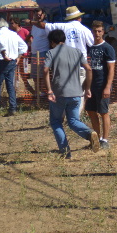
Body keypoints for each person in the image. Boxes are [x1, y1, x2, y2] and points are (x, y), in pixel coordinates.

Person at [44, 29, 100, 159]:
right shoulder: (77, 51)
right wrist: (87, 88)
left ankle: (65, 152)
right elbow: (89, 69)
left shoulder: (51, 53)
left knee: (56, 122)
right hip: (76, 93)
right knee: (74, 120)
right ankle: (90, 133)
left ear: (52, 42)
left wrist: (49, 90)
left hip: (59, 93)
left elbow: (45, 69)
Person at [0, 18, 28, 117]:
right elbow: (24, 46)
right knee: (10, 84)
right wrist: (18, 57)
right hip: (13, 61)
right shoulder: (13, 34)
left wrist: (4, 54)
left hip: (3, 61)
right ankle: (13, 108)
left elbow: (1, 44)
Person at [86, 21, 116, 149]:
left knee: (103, 112)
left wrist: (107, 86)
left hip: (102, 84)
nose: (97, 34)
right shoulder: (89, 47)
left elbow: (111, 69)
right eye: (95, 31)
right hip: (90, 85)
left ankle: (105, 139)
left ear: (103, 32)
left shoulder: (107, 48)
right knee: (91, 111)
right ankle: (96, 138)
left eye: (99, 31)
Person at [28, 8, 50, 97]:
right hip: (34, 53)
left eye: (40, 15)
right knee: (35, 75)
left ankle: (43, 93)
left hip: (43, 52)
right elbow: (32, 36)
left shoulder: (46, 25)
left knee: (41, 75)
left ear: (44, 15)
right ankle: (38, 93)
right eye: (36, 15)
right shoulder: (34, 26)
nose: (38, 16)